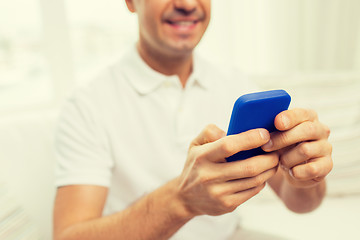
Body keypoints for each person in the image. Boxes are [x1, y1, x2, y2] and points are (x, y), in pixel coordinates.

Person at [53, 0, 333, 239]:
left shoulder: (234, 82)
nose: (187, 4)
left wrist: (307, 175)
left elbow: (299, 202)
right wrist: (181, 201)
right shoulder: (86, 106)